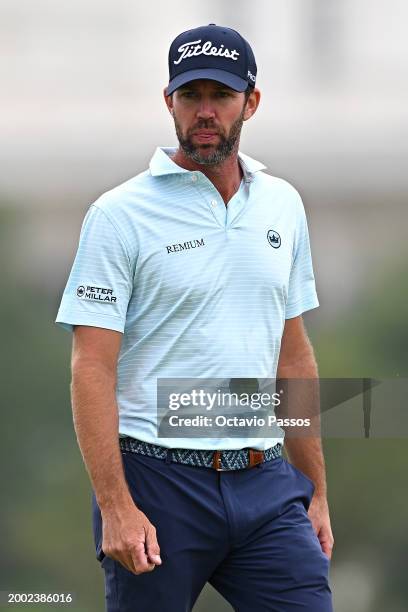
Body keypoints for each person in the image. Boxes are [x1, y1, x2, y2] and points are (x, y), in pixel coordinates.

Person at [56, 23, 334, 612]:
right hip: (156, 484)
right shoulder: (118, 215)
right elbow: (92, 367)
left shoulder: (283, 203)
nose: (204, 112)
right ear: (169, 102)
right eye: (191, 96)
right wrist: (116, 506)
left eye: (221, 96)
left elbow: (293, 356)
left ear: (250, 102)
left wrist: (316, 494)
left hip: (266, 482)